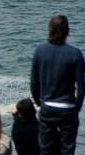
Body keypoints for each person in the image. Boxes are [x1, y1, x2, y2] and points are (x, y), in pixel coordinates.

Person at [30, 15, 84, 154]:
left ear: (50, 30)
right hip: (68, 108)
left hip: (47, 106)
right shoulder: (76, 54)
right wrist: (75, 108)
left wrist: (40, 102)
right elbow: (81, 88)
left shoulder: (39, 51)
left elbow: (34, 84)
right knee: (67, 150)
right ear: (67, 32)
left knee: (46, 150)